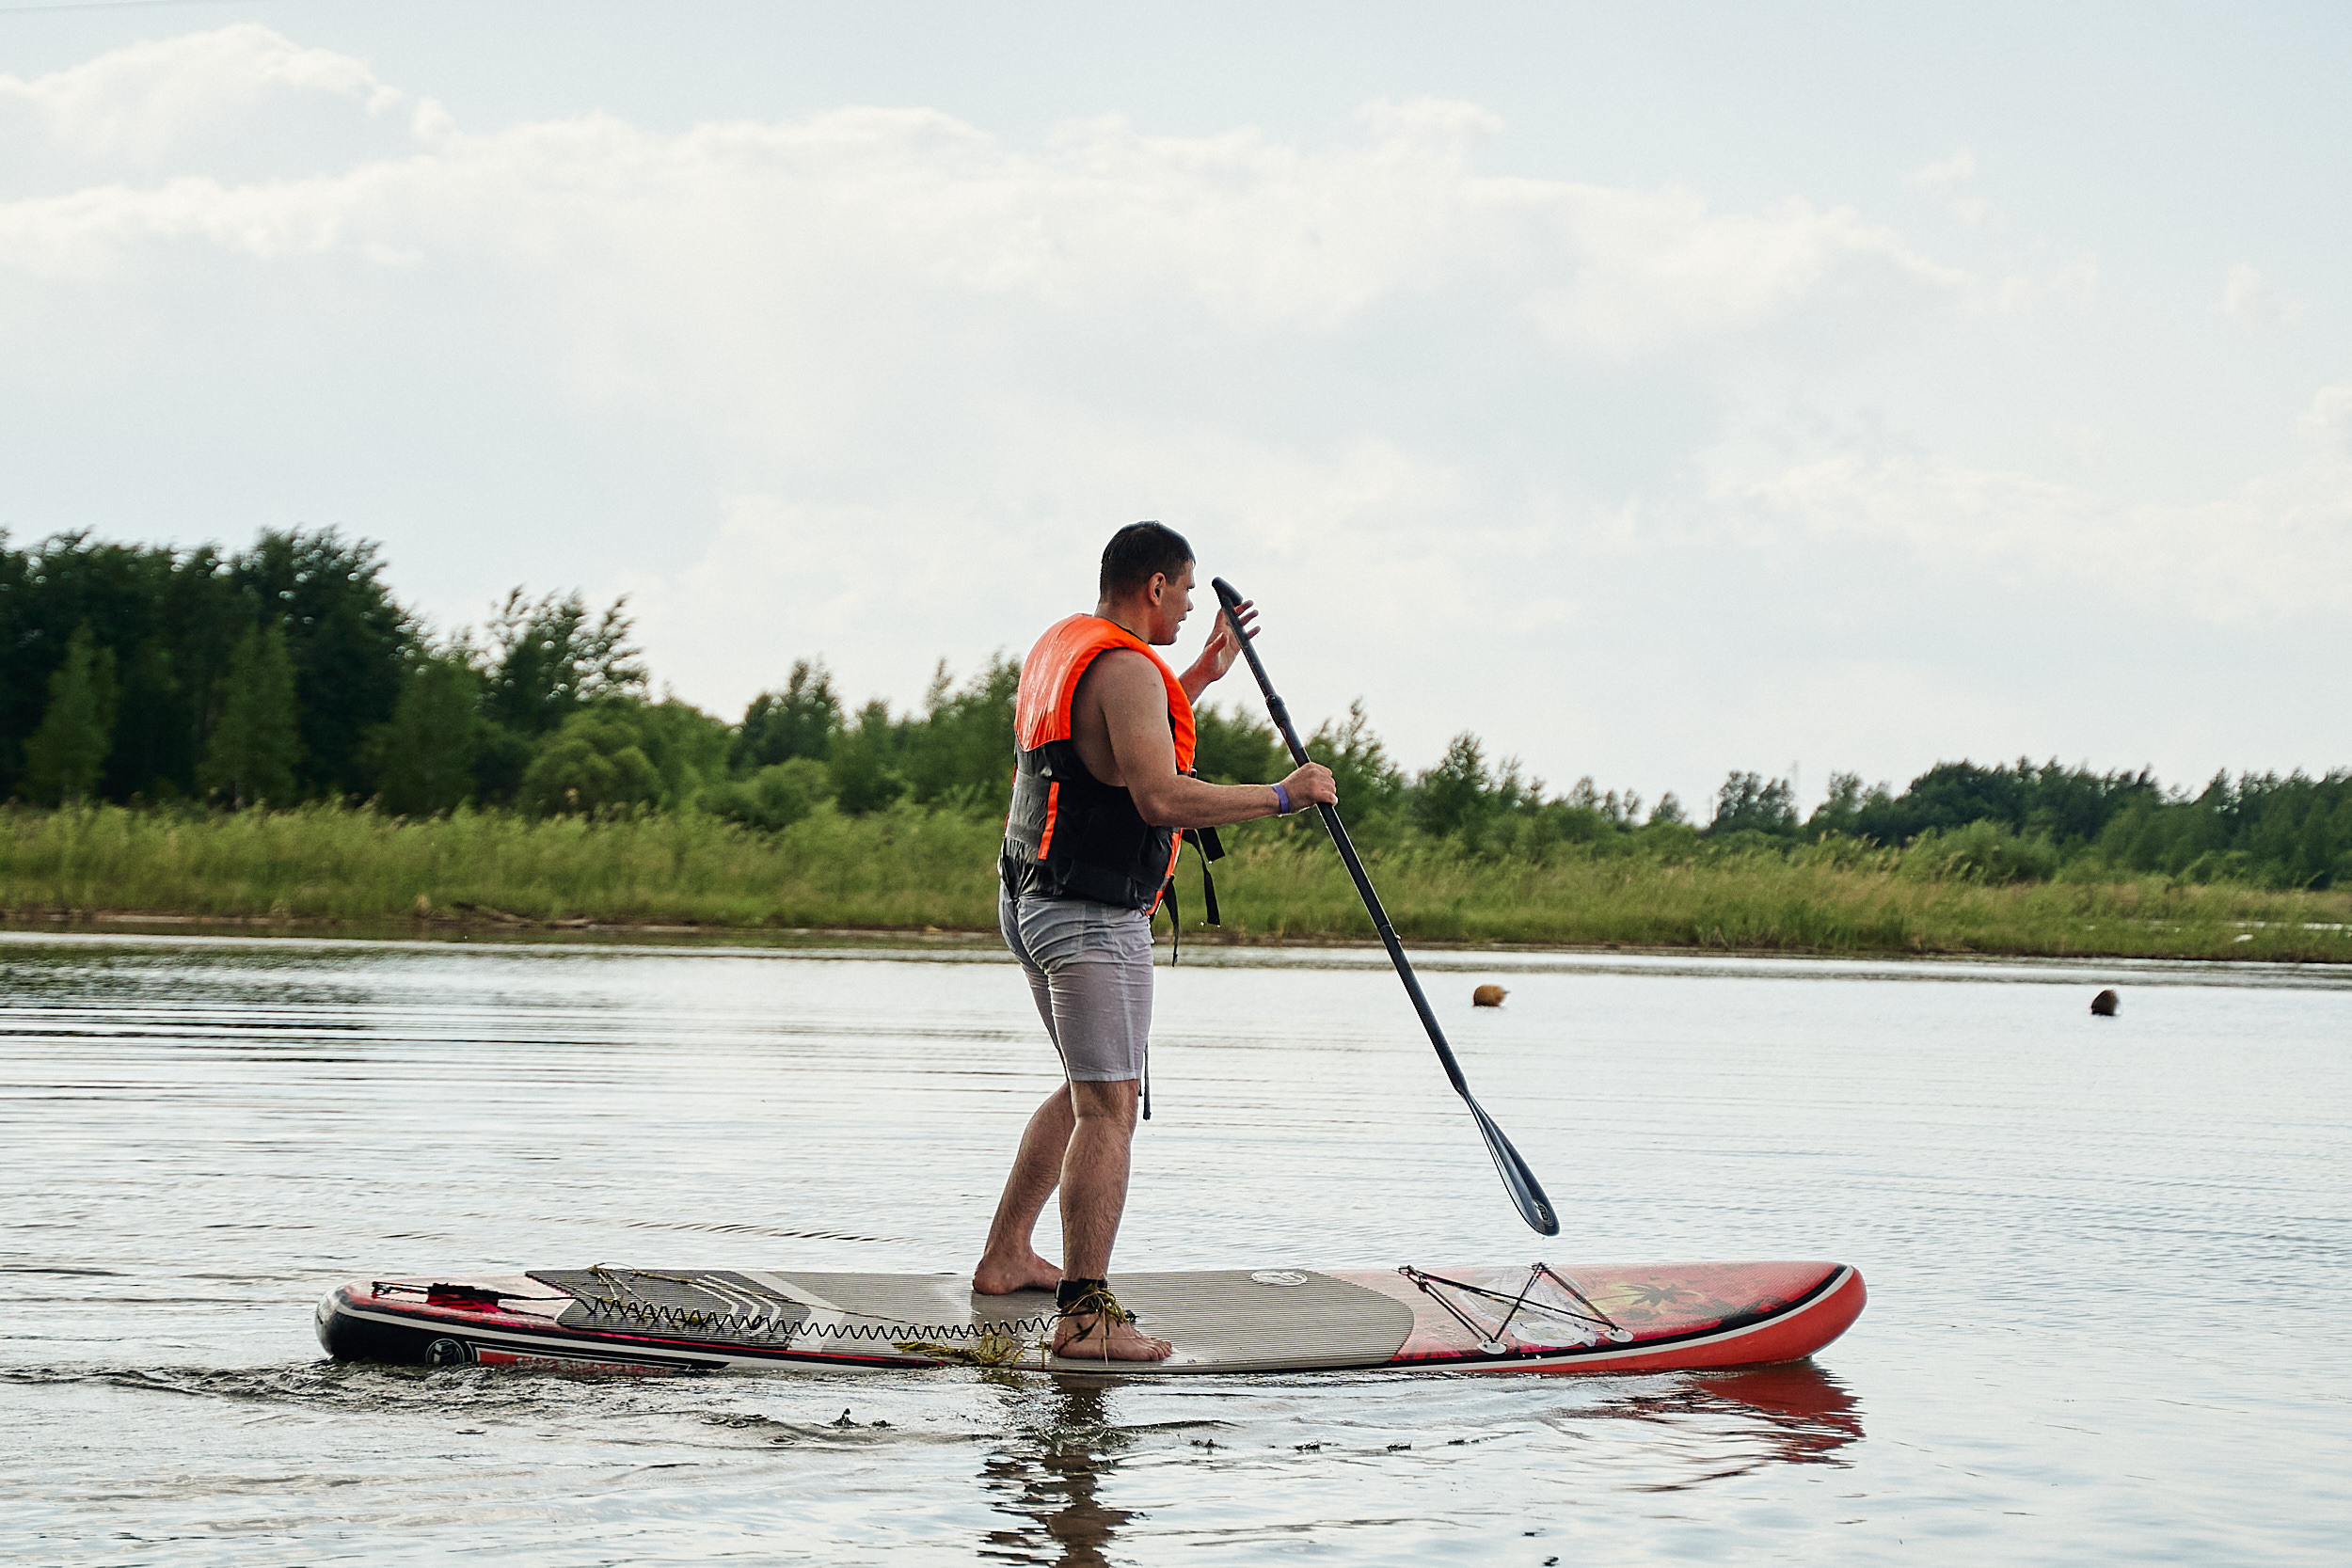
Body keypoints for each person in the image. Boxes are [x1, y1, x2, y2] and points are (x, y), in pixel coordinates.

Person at [974, 522, 1339, 1360]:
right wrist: (1283, 796)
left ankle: (1003, 1257)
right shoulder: (1128, 667)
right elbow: (1159, 798)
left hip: (1029, 898)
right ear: (1154, 587)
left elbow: (1116, 734)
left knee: (1083, 1089)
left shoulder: (1067, 648)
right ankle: (1084, 1316)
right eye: (1182, 591)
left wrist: (1203, 674)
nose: (1184, 606)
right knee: (1110, 1107)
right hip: (1090, 916)